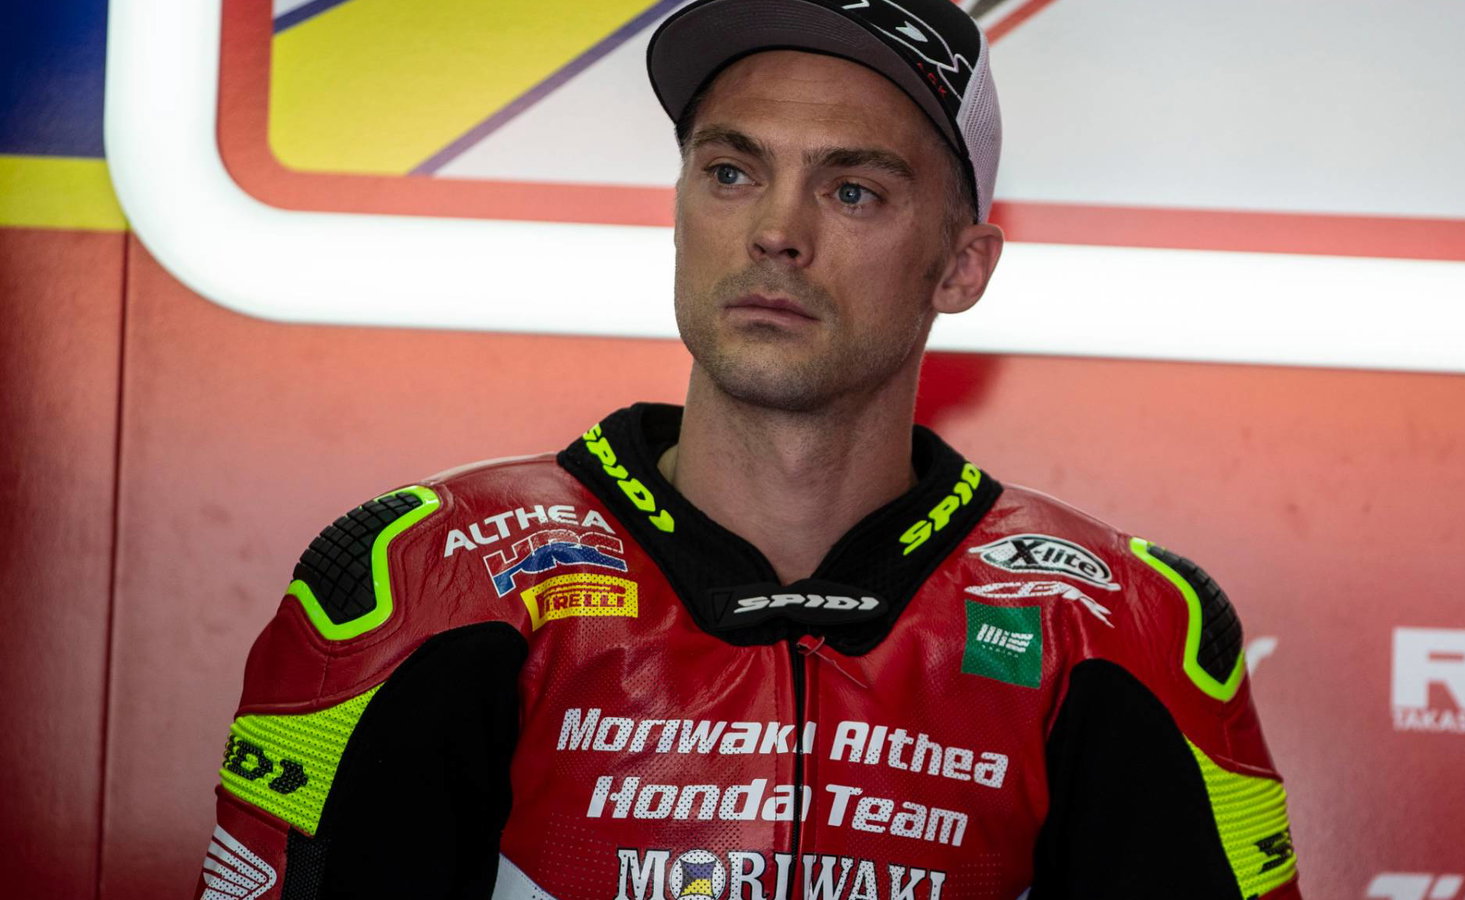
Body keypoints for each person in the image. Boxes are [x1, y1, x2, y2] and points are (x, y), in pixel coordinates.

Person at [196, 1, 1300, 898]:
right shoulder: (427, 580)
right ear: (681, 208)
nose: (776, 231)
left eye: (852, 189)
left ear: (961, 269)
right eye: (731, 172)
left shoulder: (1115, 628)